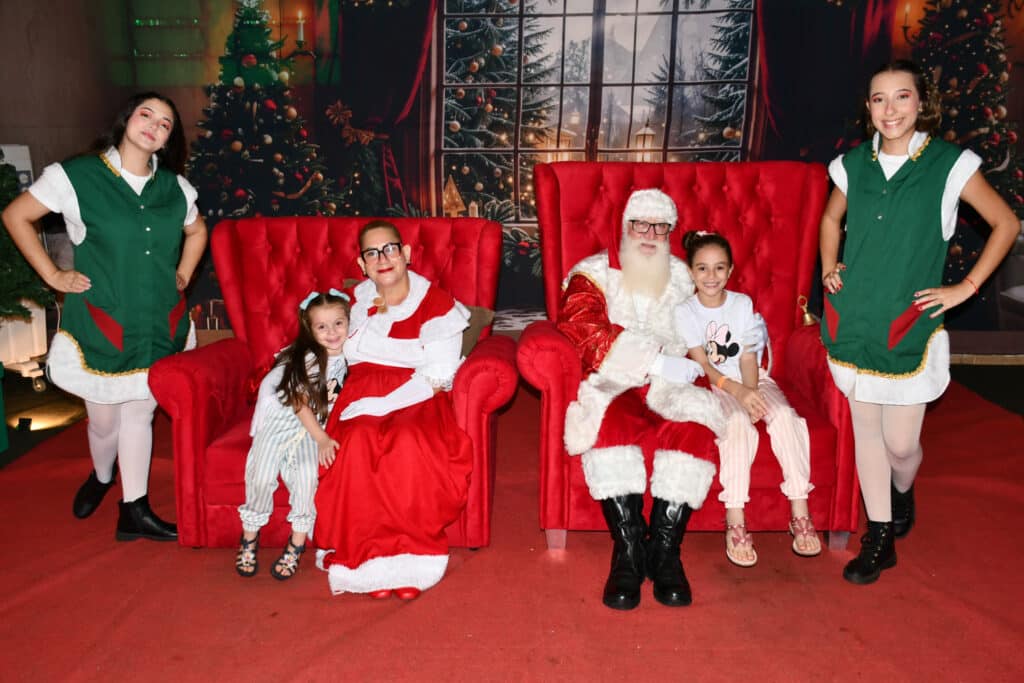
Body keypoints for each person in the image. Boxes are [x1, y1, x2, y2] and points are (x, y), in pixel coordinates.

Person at [820, 60, 1018, 584]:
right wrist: (828, 266)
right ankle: (879, 535)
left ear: (921, 102)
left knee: (901, 445)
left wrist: (966, 288)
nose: (890, 109)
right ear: (868, 108)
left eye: (901, 96)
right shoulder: (852, 165)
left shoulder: (950, 165)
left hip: (910, 322)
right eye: (879, 99)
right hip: (856, 317)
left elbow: (1005, 222)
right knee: (867, 431)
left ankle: (902, 490)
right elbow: (831, 218)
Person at [2, 92, 207, 541]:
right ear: (126, 120)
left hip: (159, 322)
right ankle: (101, 475)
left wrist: (184, 272)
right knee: (104, 423)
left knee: (139, 414)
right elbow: (17, 215)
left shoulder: (175, 188)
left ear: (168, 140)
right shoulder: (76, 176)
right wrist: (53, 275)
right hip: (102, 322)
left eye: (166, 124)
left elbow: (197, 230)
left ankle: (134, 509)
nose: (154, 125)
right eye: (146, 114)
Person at [557, 188, 725, 610]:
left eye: (660, 227)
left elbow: (719, 319)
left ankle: (665, 552)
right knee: (608, 429)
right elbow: (582, 328)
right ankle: (628, 551)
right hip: (615, 381)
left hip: (674, 382)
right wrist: (653, 360)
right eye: (640, 225)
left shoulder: (686, 276)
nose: (649, 234)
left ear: (670, 231)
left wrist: (743, 350)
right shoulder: (592, 273)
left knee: (695, 429)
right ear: (624, 227)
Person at [313, 220, 472, 599]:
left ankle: (411, 560)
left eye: (390, 249)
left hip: (418, 396)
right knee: (358, 441)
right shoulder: (352, 303)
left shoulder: (437, 304)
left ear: (406, 254)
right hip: (360, 391)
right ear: (362, 264)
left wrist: (380, 403)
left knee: (408, 441)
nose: (382, 258)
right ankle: (366, 561)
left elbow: (437, 374)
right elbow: (328, 346)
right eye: (372, 253)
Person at [676, 230, 820, 568]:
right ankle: (736, 518)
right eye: (702, 268)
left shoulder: (741, 304)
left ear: (730, 271)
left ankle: (800, 509)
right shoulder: (685, 311)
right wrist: (738, 393)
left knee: (784, 416)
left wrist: (751, 391)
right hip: (715, 385)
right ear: (690, 272)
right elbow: (703, 364)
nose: (711, 276)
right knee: (738, 423)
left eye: (719, 268)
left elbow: (747, 355)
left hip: (752, 378)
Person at [235, 290, 350, 580]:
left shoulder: (353, 355)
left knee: (307, 477)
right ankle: (249, 535)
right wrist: (321, 438)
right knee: (261, 475)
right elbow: (298, 403)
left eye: (338, 323)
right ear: (310, 330)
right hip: (283, 419)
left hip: (312, 427)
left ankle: (297, 542)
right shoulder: (308, 357)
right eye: (322, 326)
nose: (332, 332)